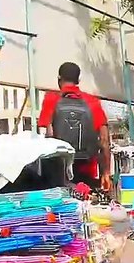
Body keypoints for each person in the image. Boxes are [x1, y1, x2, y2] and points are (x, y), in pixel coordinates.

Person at [37, 62, 113, 192]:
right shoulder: (93, 102)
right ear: (78, 80)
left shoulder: (51, 99)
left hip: (58, 176)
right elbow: (104, 141)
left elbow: (47, 135)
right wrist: (105, 173)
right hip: (87, 173)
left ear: (59, 80)